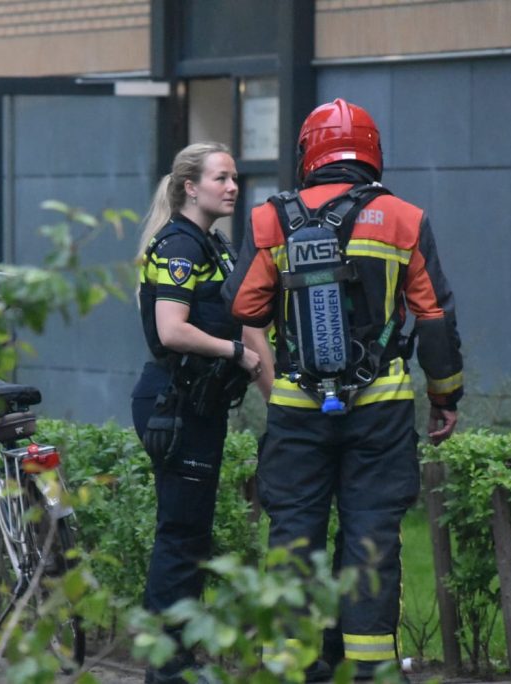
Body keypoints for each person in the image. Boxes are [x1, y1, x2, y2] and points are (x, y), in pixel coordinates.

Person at [222, 99, 463, 682]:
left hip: (297, 407)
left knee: (293, 535)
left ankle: (291, 668)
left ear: (308, 153)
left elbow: (244, 306)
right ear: (373, 152)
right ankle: (371, 669)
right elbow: (434, 319)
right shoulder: (404, 218)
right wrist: (444, 397)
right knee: (372, 535)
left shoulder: (271, 219)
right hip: (380, 409)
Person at [132, 142, 273, 684]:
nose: (233, 187)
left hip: (199, 405)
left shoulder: (214, 245)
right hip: (174, 405)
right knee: (180, 535)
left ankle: (178, 659)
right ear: (190, 187)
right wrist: (234, 352)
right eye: (222, 178)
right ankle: (166, 668)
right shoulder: (179, 246)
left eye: (235, 177)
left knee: (191, 534)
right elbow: (172, 330)